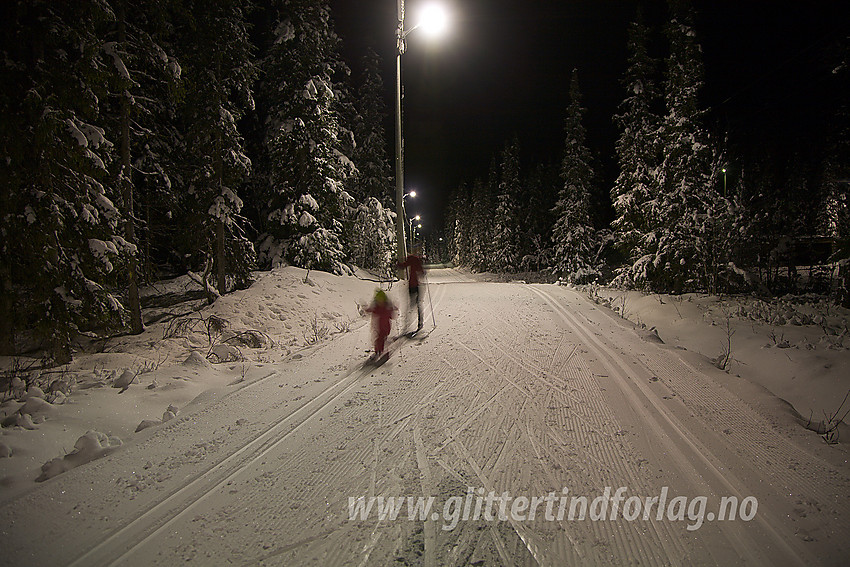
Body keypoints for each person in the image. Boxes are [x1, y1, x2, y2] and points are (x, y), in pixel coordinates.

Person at [397, 249, 425, 334]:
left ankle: (407, 324)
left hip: (411, 286)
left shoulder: (410, 259)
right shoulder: (417, 260)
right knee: (418, 304)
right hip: (417, 285)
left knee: (410, 305)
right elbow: (421, 272)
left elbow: (402, 266)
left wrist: (397, 263)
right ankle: (420, 322)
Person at [364, 289, 396, 360]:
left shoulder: (387, 306)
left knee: (384, 336)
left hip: (386, 325)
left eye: (381, 300)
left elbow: (391, 315)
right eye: (379, 300)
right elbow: (371, 309)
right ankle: (378, 350)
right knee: (379, 337)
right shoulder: (377, 307)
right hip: (378, 325)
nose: (380, 302)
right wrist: (366, 310)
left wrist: (393, 310)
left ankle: (379, 350)